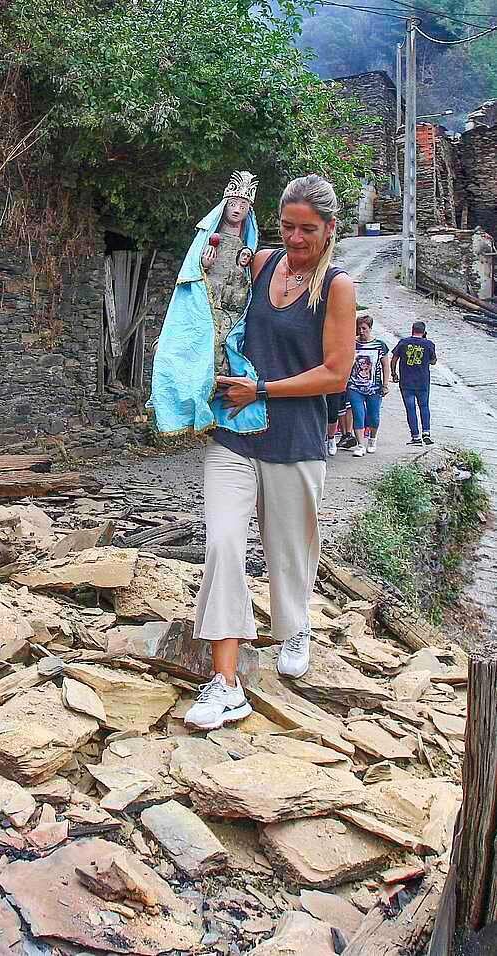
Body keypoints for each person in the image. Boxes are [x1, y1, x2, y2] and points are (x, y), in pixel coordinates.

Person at [184, 174, 357, 731]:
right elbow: (209, 288)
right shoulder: (260, 265)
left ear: (330, 229)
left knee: (290, 552)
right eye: (288, 226)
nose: (298, 238)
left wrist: (264, 389)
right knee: (224, 542)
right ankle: (226, 682)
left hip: (296, 438)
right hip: (236, 431)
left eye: (309, 229)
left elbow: (337, 374)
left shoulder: (337, 286)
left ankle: (294, 626)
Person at [346, 315, 389, 456]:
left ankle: (372, 438)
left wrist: (385, 384)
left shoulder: (380, 345)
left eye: (364, 328)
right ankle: (360, 445)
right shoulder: (352, 343)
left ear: (370, 328)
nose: (361, 331)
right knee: (358, 414)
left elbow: (385, 365)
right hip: (354, 386)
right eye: (359, 328)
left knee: (374, 416)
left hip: (374, 387)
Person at [390, 321, 437, 445]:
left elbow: (394, 359)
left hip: (406, 382)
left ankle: (415, 436)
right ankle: (426, 432)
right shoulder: (429, 344)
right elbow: (433, 361)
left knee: (410, 409)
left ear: (412, 330)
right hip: (423, 382)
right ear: (424, 331)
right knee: (424, 406)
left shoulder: (403, 342)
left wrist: (394, 374)